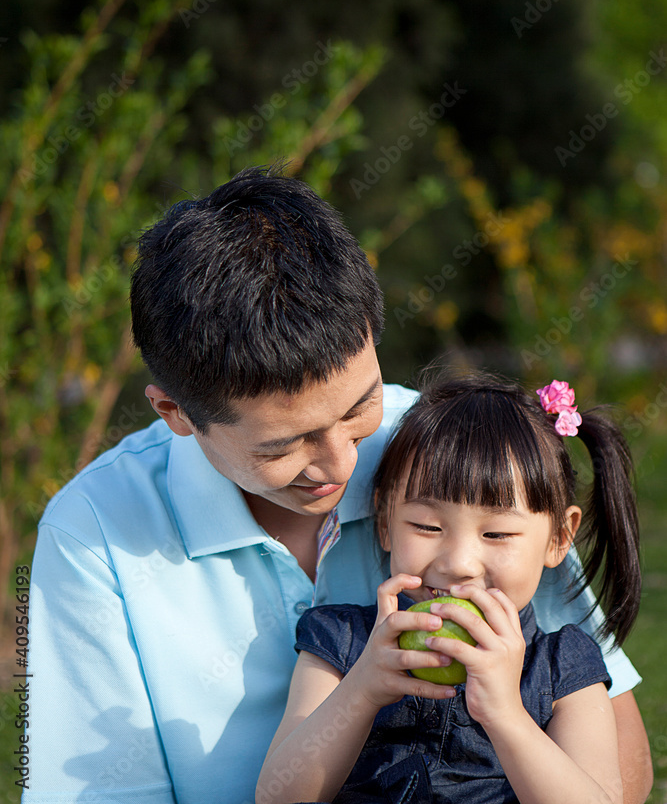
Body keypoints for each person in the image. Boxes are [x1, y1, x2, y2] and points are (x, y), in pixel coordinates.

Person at [24, 167, 651, 804]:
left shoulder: (455, 457)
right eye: (283, 446)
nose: (340, 467)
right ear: (177, 415)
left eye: (359, 408)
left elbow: (618, 766)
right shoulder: (95, 535)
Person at [256, 374, 646, 804]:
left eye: (496, 534)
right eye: (426, 526)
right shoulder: (342, 642)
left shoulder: (563, 668)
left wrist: (505, 716)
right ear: (385, 521)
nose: (458, 564)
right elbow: (280, 796)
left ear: (558, 538)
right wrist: (363, 688)